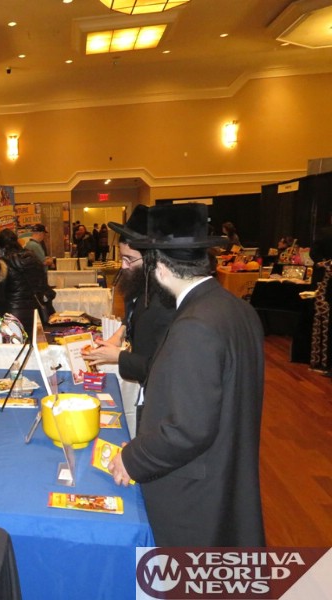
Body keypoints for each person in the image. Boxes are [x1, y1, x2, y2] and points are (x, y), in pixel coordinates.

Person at [107, 203, 265, 547]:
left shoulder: (195, 326)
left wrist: (132, 458)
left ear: (160, 267)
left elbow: (188, 429)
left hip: (193, 494)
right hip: (225, 471)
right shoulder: (237, 308)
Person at [84, 206, 175, 407]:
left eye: (129, 259)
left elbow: (164, 368)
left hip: (163, 398)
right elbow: (133, 313)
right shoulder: (142, 283)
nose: (123, 266)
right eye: (121, 258)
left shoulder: (166, 302)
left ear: (153, 259)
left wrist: (119, 357)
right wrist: (119, 334)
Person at [0, 228, 53, 334]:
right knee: (34, 341)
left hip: (12, 311)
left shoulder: (3, 263)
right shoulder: (32, 258)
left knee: (15, 343)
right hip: (35, 310)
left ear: (1, 246)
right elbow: (41, 282)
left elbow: (1, 290)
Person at [310, 210, 332, 374]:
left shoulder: (324, 233)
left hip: (326, 284)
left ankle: (324, 361)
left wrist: (323, 264)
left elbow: (314, 254)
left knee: (324, 321)